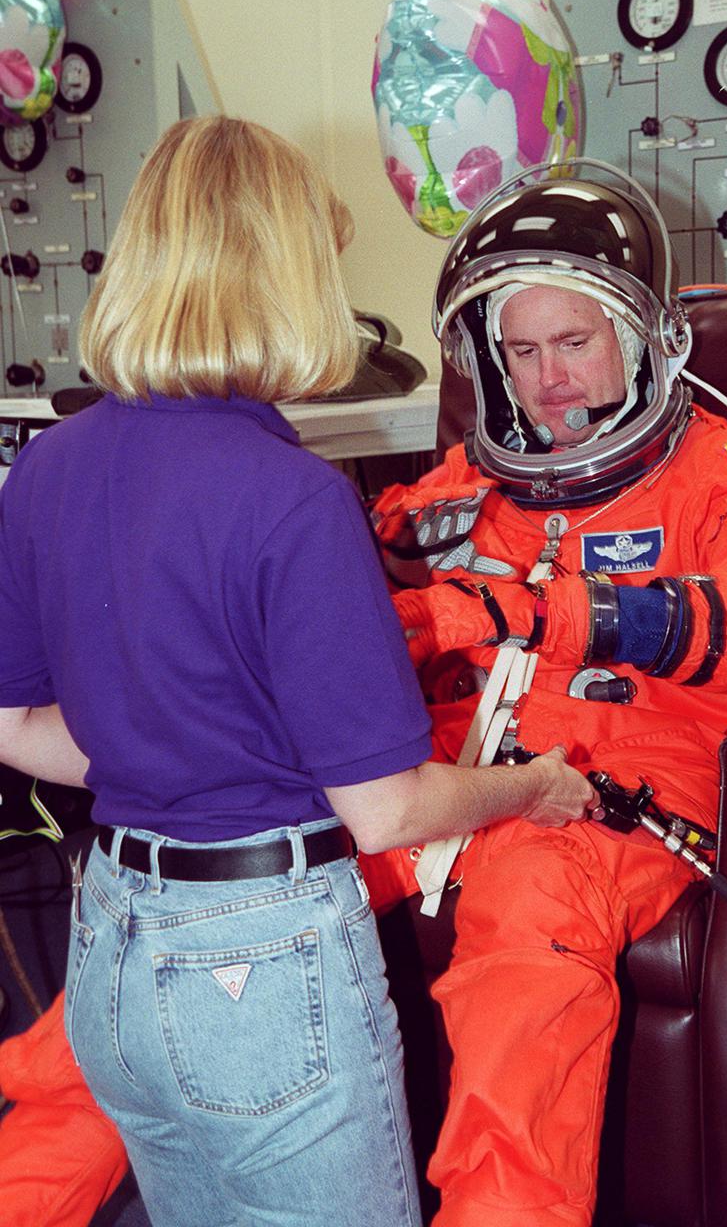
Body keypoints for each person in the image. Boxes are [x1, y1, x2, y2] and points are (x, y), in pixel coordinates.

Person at [0, 117, 596, 1227]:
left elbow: (16, 722)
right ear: (285, 279)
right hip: (257, 965)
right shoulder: (292, 498)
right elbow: (383, 811)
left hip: (113, 948)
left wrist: (168, 749)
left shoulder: (46, 466)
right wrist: (532, 784)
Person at [362, 160, 727, 1227]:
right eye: (521, 352)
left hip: (618, 788)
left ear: (641, 338)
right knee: (258, 862)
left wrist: (531, 613)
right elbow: (376, 566)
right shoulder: (470, 483)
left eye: (571, 342)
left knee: (524, 929)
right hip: (454, 771)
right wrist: (369, 584)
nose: (548, 380)